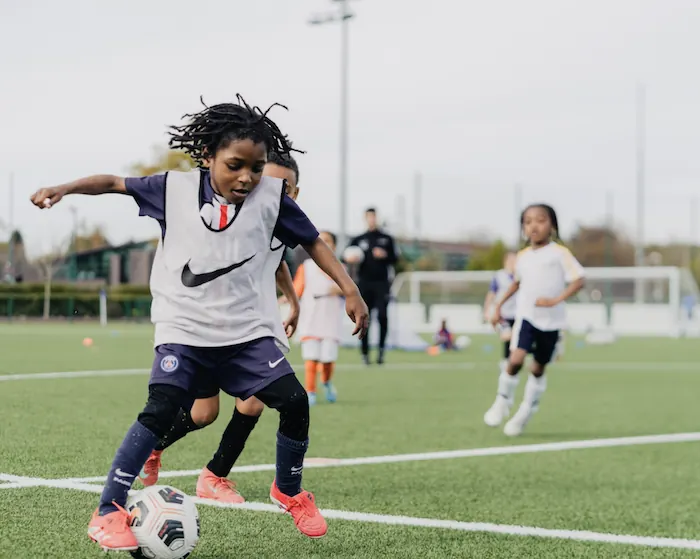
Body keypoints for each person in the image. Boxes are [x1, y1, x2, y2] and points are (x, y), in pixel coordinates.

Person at [30, 95, 369, 550]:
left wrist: (350, 289)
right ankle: (108, 508)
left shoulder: (272, 197)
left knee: (293, 401)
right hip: (184, 331)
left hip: (245, 334)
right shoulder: (171, 189)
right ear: (208, 157)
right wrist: (64, 189)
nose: (247, 176)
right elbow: (113, 181)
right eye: (235, 165)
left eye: (257, 166)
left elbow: (312, 241)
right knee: (163, 408)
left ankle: (288, 491)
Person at [139, 153, 303, 508]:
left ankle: (214, 476)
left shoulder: (280, 218)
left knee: (255, 401)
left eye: (283, 187)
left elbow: (278, 264)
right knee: (203, 413)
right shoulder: (236, 217)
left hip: (251, 331)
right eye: (266, 182)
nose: (270, 191)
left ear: (295, 192)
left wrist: (293, 302)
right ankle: (153, 448)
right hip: (206, 328)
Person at [484, 204, 584, 437]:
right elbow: (517, 283)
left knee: (537, 368)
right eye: (528, 222)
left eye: (540, 220)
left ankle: (525, 412)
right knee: (516, 358)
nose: (534, 226)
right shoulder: (522, 256)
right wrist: (498, 306)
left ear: (552, 225)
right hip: (527, 317)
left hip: (552, 322)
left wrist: (555, 300)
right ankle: (502, 401)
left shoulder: (560, 253)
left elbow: (579, 280)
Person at [293, 231, 345, 406]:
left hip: (330, 318)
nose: (324, 244)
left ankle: (327, 382)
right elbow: (296, 290)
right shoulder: (306, 267)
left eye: (328, 241)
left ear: (334, 245)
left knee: (328, 359)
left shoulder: (340, 267)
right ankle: (310, 391)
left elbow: (350, 289)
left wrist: (339, 289)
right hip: (311, 318)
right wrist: (286, 299)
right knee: (311, 358)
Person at [346, 208, 398, 365]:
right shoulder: (358, 239)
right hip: (364, 284)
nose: (372, 220)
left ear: (377, 218)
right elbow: (345, 255)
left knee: (382, 316)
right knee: (364, 318)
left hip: (382, 284)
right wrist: (351, 258)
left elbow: (395, 258)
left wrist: (385, 255)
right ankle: (365, 353)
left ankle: (381, 352)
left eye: (374, 217)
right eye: (369, 217)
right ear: (365, 219)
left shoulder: (387, 238)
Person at [483, 252, 517, 374]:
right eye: (512, 260)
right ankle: (505, 361)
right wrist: (487, 309)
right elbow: (491, 293)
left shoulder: (520, 276)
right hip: (503, 313)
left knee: (514, 340)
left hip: (518, 314)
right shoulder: (499, 276)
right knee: (507, 336)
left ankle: (509, 361)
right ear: (506, 261)